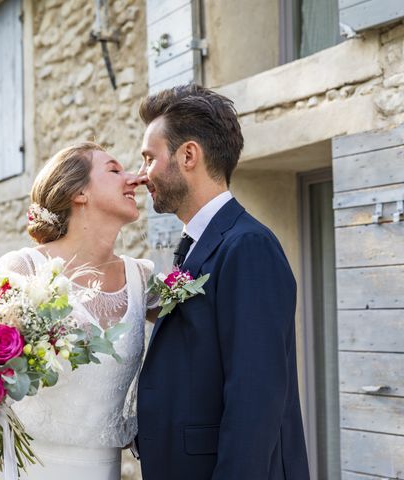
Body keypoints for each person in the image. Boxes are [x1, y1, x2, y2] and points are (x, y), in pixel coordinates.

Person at [134, 84, 310, 479]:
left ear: (188, 155)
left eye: (149, 159)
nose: (143, 175)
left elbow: (256, 396)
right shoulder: (200, 244)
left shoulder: (248, 245)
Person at [0, 142, 157, 480]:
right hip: (26, 467)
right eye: (114, 170)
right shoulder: (23, 270)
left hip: (102, 469)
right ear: (78, 192)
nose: (134, 178)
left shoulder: (143, 280)